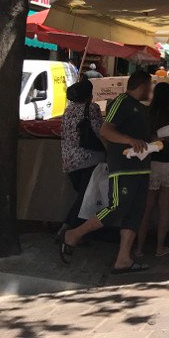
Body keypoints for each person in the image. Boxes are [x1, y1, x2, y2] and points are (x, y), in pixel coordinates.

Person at [60, 70, 156, 274]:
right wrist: (129, 140)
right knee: (117, 207)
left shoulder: (141, 109)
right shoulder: (121, 101)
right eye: (150, 86)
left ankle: (123, 258)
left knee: (135, 213)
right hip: (123, 167)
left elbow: (146, 137)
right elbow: (105, 130)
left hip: (141, 168)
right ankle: (74, 234)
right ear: (143, 84)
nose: (151, 90)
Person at [135, 82, 169, 259]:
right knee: (165, 208)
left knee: (146, 208)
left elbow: (144, 137)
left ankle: (139, 248)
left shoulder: (148, 113)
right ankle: (160, 247)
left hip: (153, 161)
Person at [58, 79, 104, 240]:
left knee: (83, 197)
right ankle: (67, 231)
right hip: (89, 159)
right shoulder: (92, 108)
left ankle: (76, 232)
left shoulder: (67, 110)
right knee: (85, 199)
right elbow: (101, 132)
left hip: (69, 161)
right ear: (89, 95)